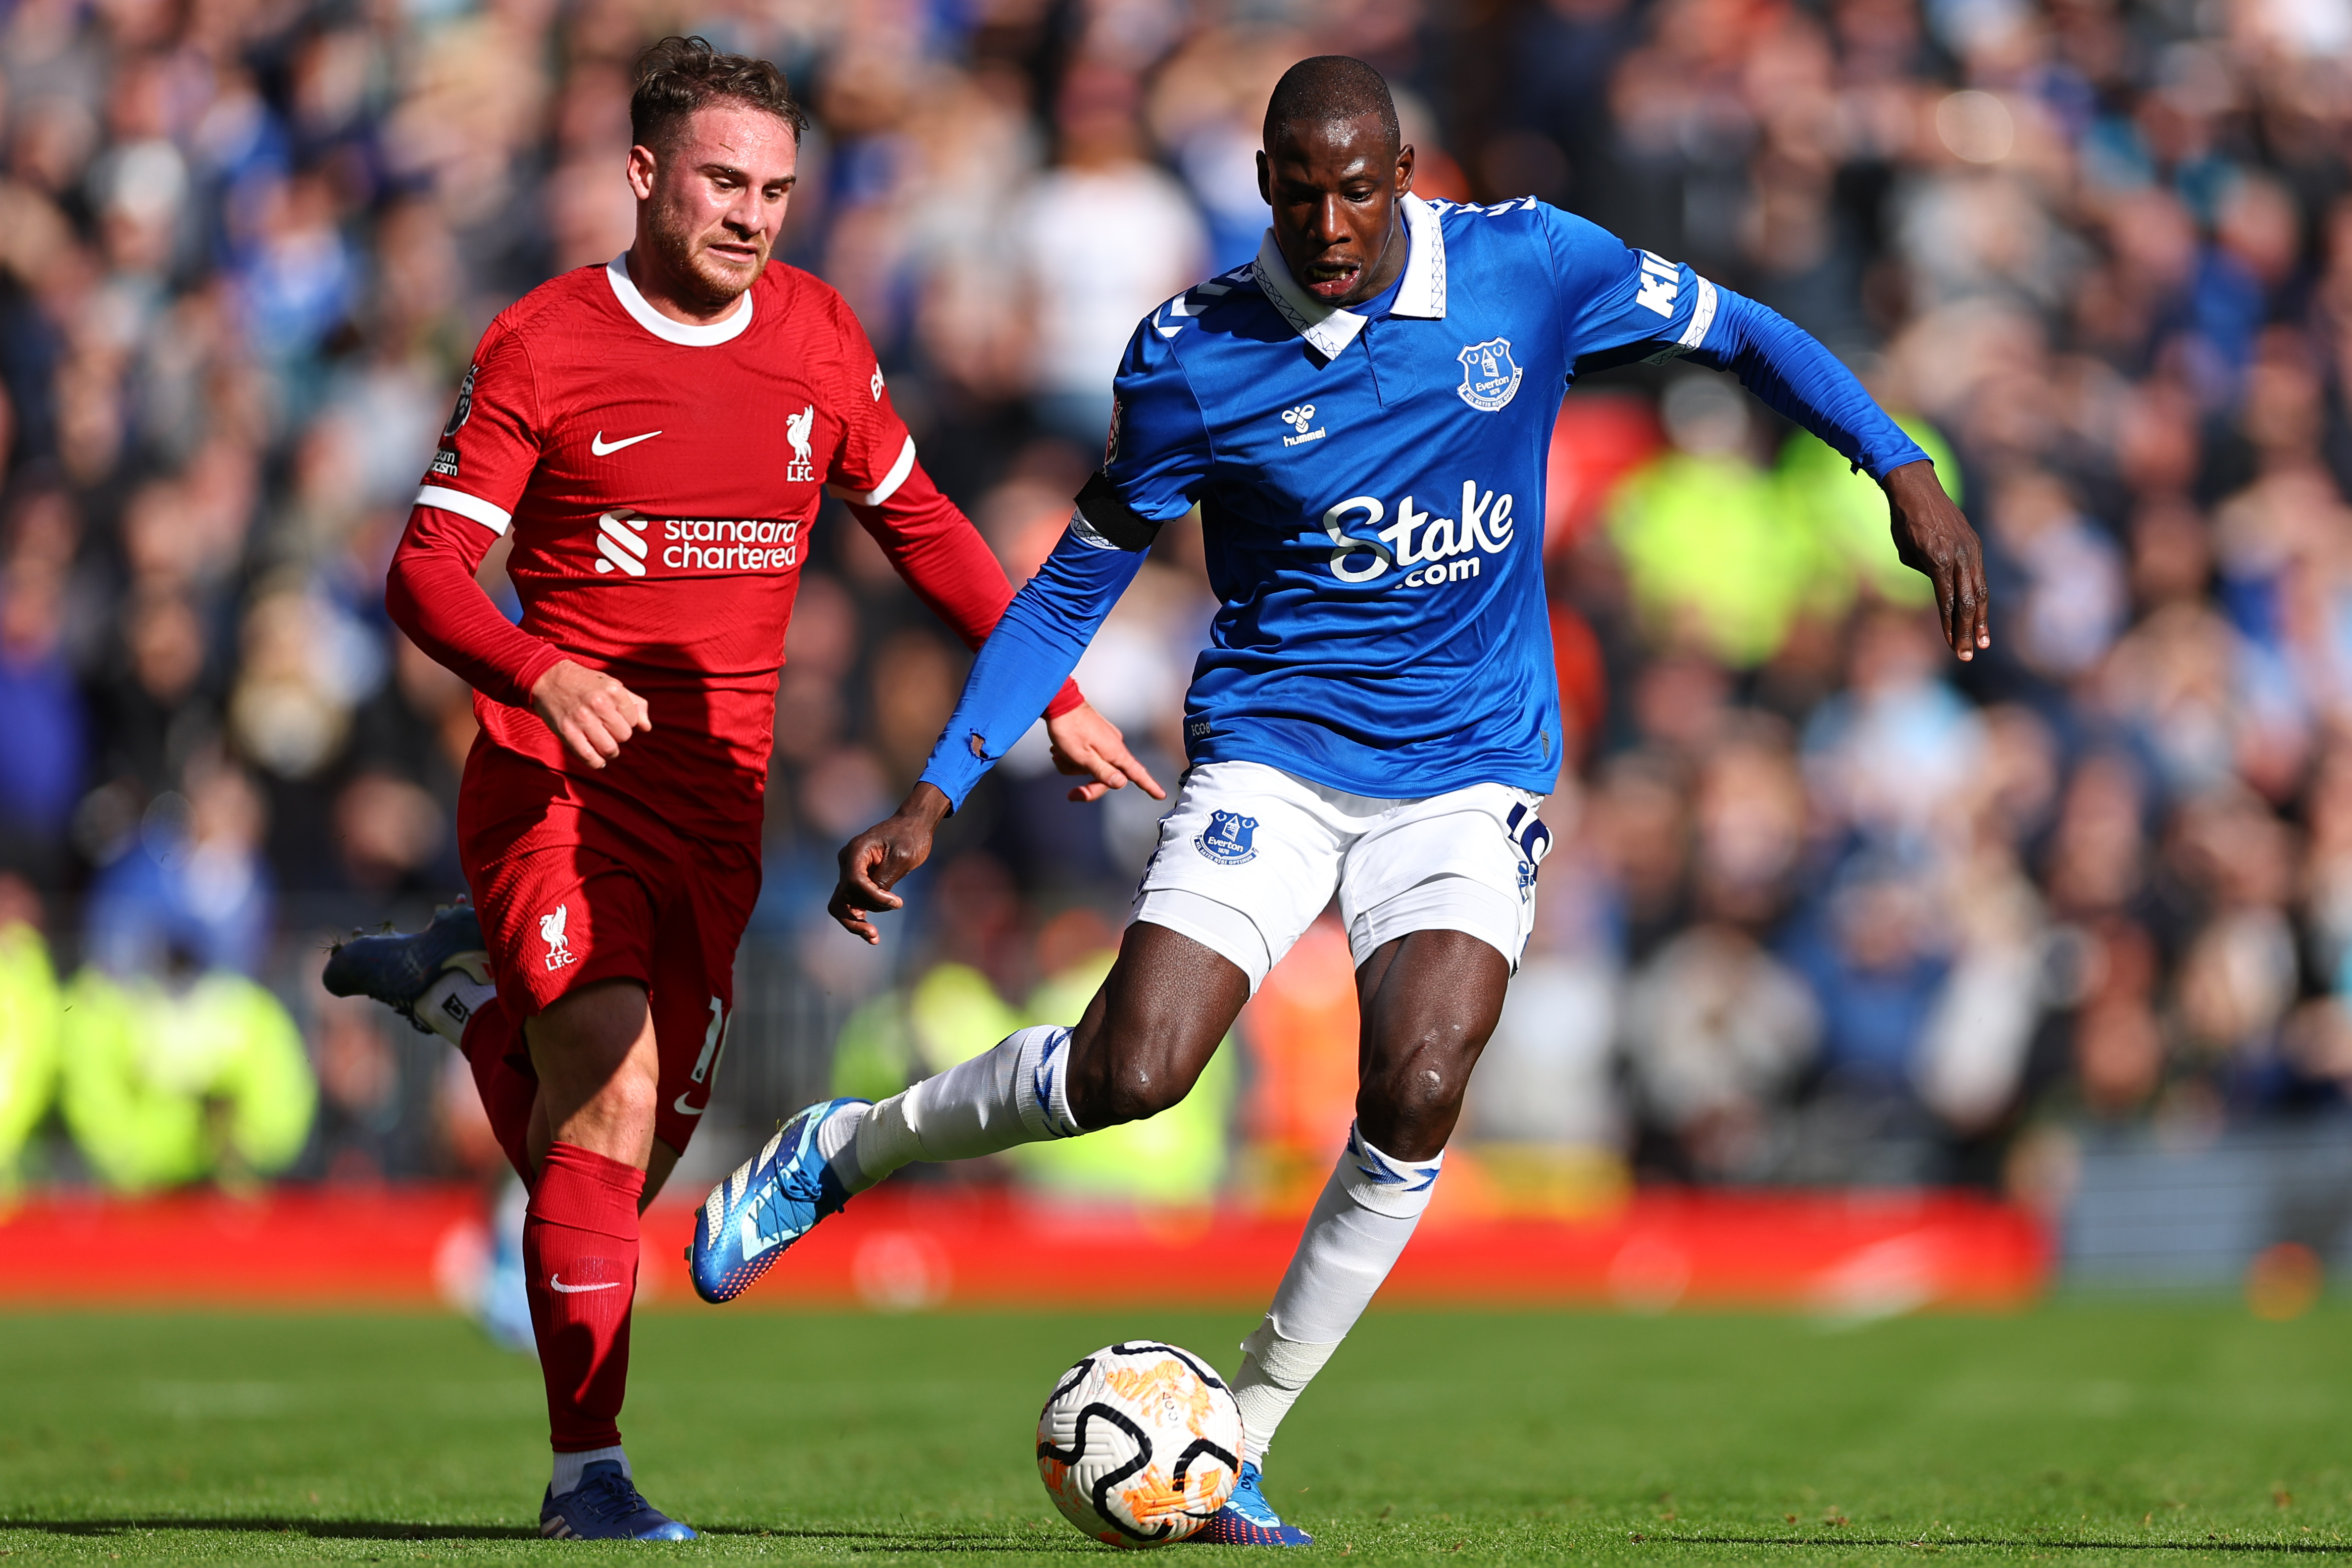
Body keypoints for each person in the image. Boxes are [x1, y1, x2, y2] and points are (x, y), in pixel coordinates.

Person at [685, 55, 1989, 1547]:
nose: (1328, 219)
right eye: (1297, 190)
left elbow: (1743, 331)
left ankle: (1238, 1436)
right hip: (1274, 761)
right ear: (1261, 186)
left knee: (1421, 1083)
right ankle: (841, 1151)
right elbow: (1069, 588)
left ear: (1406, 172)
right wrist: (938, 788)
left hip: (1471, 769)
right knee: (1136, 1073)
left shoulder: (1531, 265)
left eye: (1356, 187)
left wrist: (1897, 462)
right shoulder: (1192, 356)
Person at [322, 37, 1157, 1543]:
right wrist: (535, 672)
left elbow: (928, 531)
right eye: (722, 180)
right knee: (614, 1095)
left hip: (718, 808)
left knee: (618, 1159)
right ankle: (590, 1479)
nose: (752, 214)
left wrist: (1060, 691)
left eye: (776, 187)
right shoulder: (543, 344)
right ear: (642, 174)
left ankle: (466, 1006)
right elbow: (425, 570)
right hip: (553, 781)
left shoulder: (820, 338)